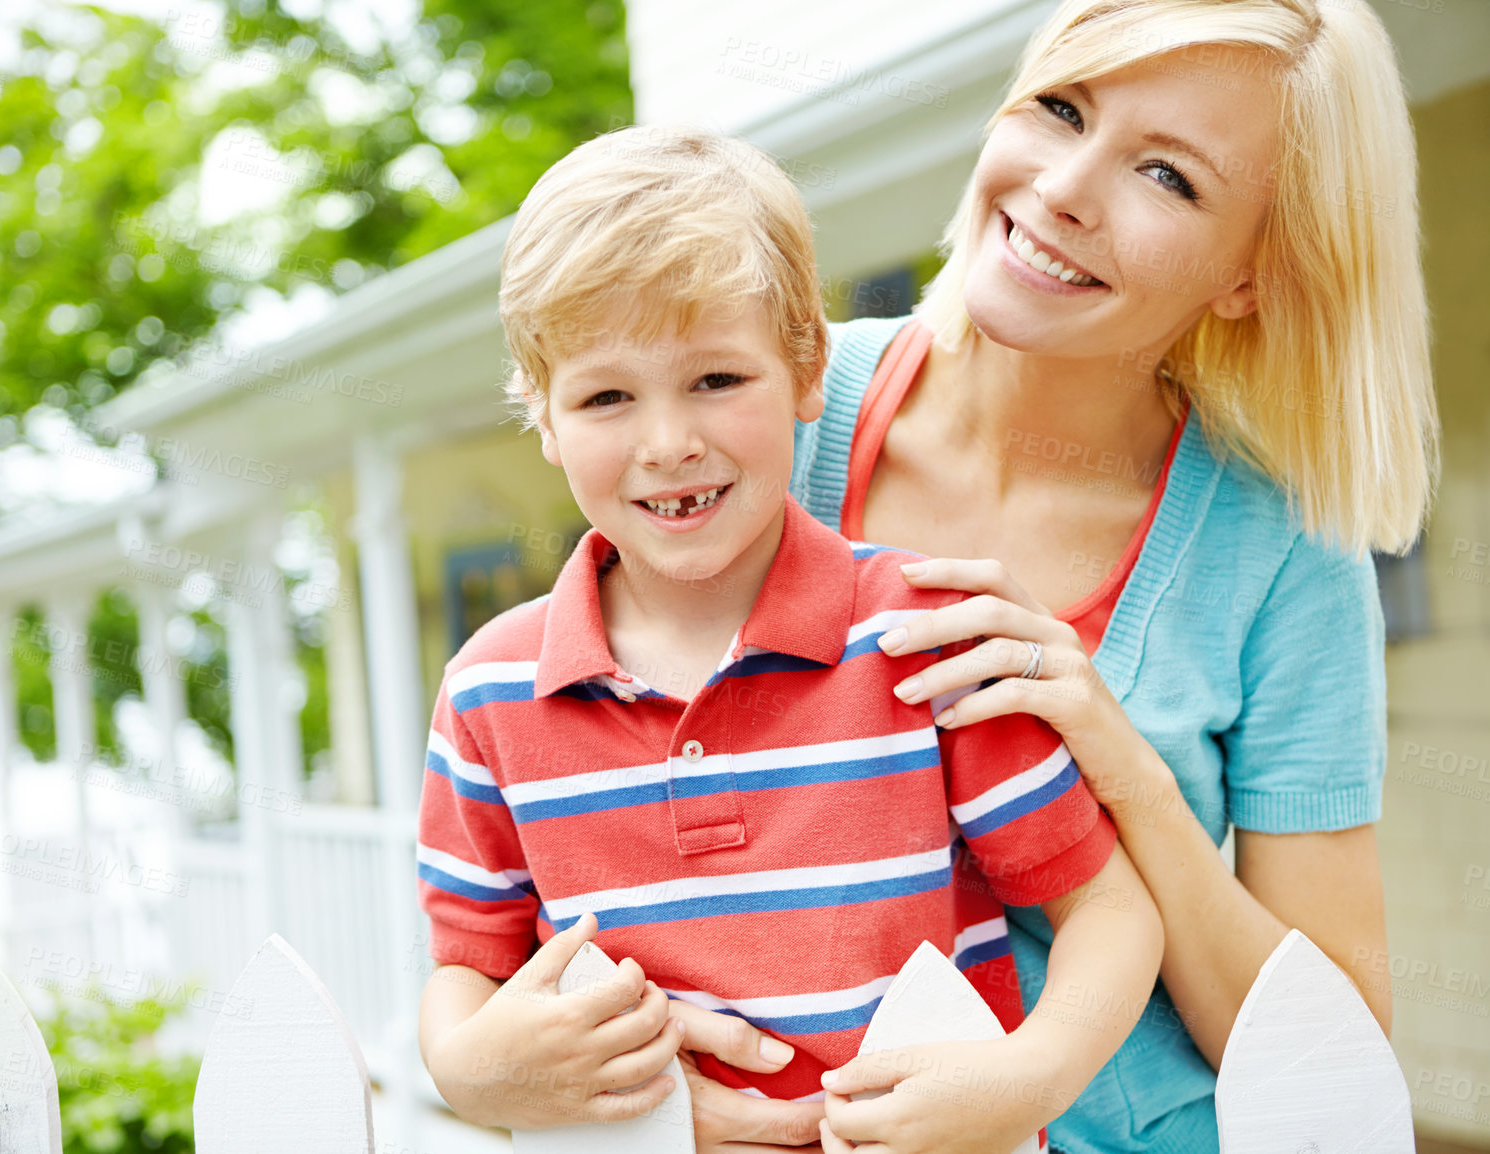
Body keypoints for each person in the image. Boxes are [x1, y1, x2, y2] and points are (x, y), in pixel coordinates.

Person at [413, 124, 1163, 1154]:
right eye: (605, 395)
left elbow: (1108, 912)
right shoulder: (490, 692)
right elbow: (468, 969)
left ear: (808, 367)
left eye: (716, 379)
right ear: (542, 416)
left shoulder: (919, 637)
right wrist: (468, 1070)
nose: (668, 440)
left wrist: (1029, 1073)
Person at [773, 1, 1437, 1151]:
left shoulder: (1283, 553)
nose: (1065, 187)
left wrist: (1117, 760)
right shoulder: (766, 412)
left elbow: (1328, 1051)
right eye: (1061, 109)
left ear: (1247, 274)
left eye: (1168, 177)